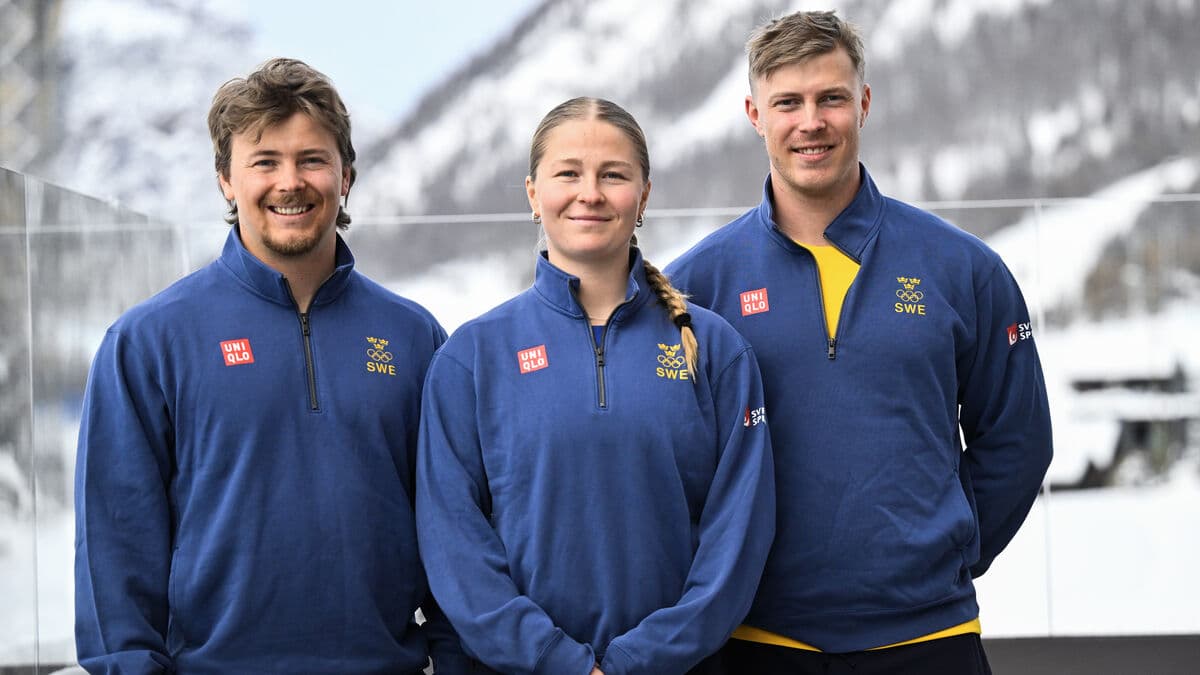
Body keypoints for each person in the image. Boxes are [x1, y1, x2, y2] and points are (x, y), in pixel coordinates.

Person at [665, 11, 1053, 675]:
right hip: (758, 643)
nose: (810, 121)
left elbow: (1018, 440)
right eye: (788, 102)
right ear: (755, 114)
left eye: (831, 98)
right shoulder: (696, 287)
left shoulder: (963, 268)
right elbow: (669, 463)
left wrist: (942, 547)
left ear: (863, 103)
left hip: (930, 638)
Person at [74, 58, 464, 674]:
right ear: (226, 181)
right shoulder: (148, 341)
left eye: (312, 159)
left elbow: (454, 530)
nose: (291, 181)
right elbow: (114, 543)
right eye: (264, 161)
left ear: (346, 175)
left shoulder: (415, 338)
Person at [415, 97, 775, 675]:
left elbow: (738, 540)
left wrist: (641, 659)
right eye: (568, 174)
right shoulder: (471, 358)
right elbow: (454, 546)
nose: (591, 193)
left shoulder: (717, 352)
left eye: (613, 175)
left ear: (644, 195)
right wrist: (557, 661)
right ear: (533, 194)